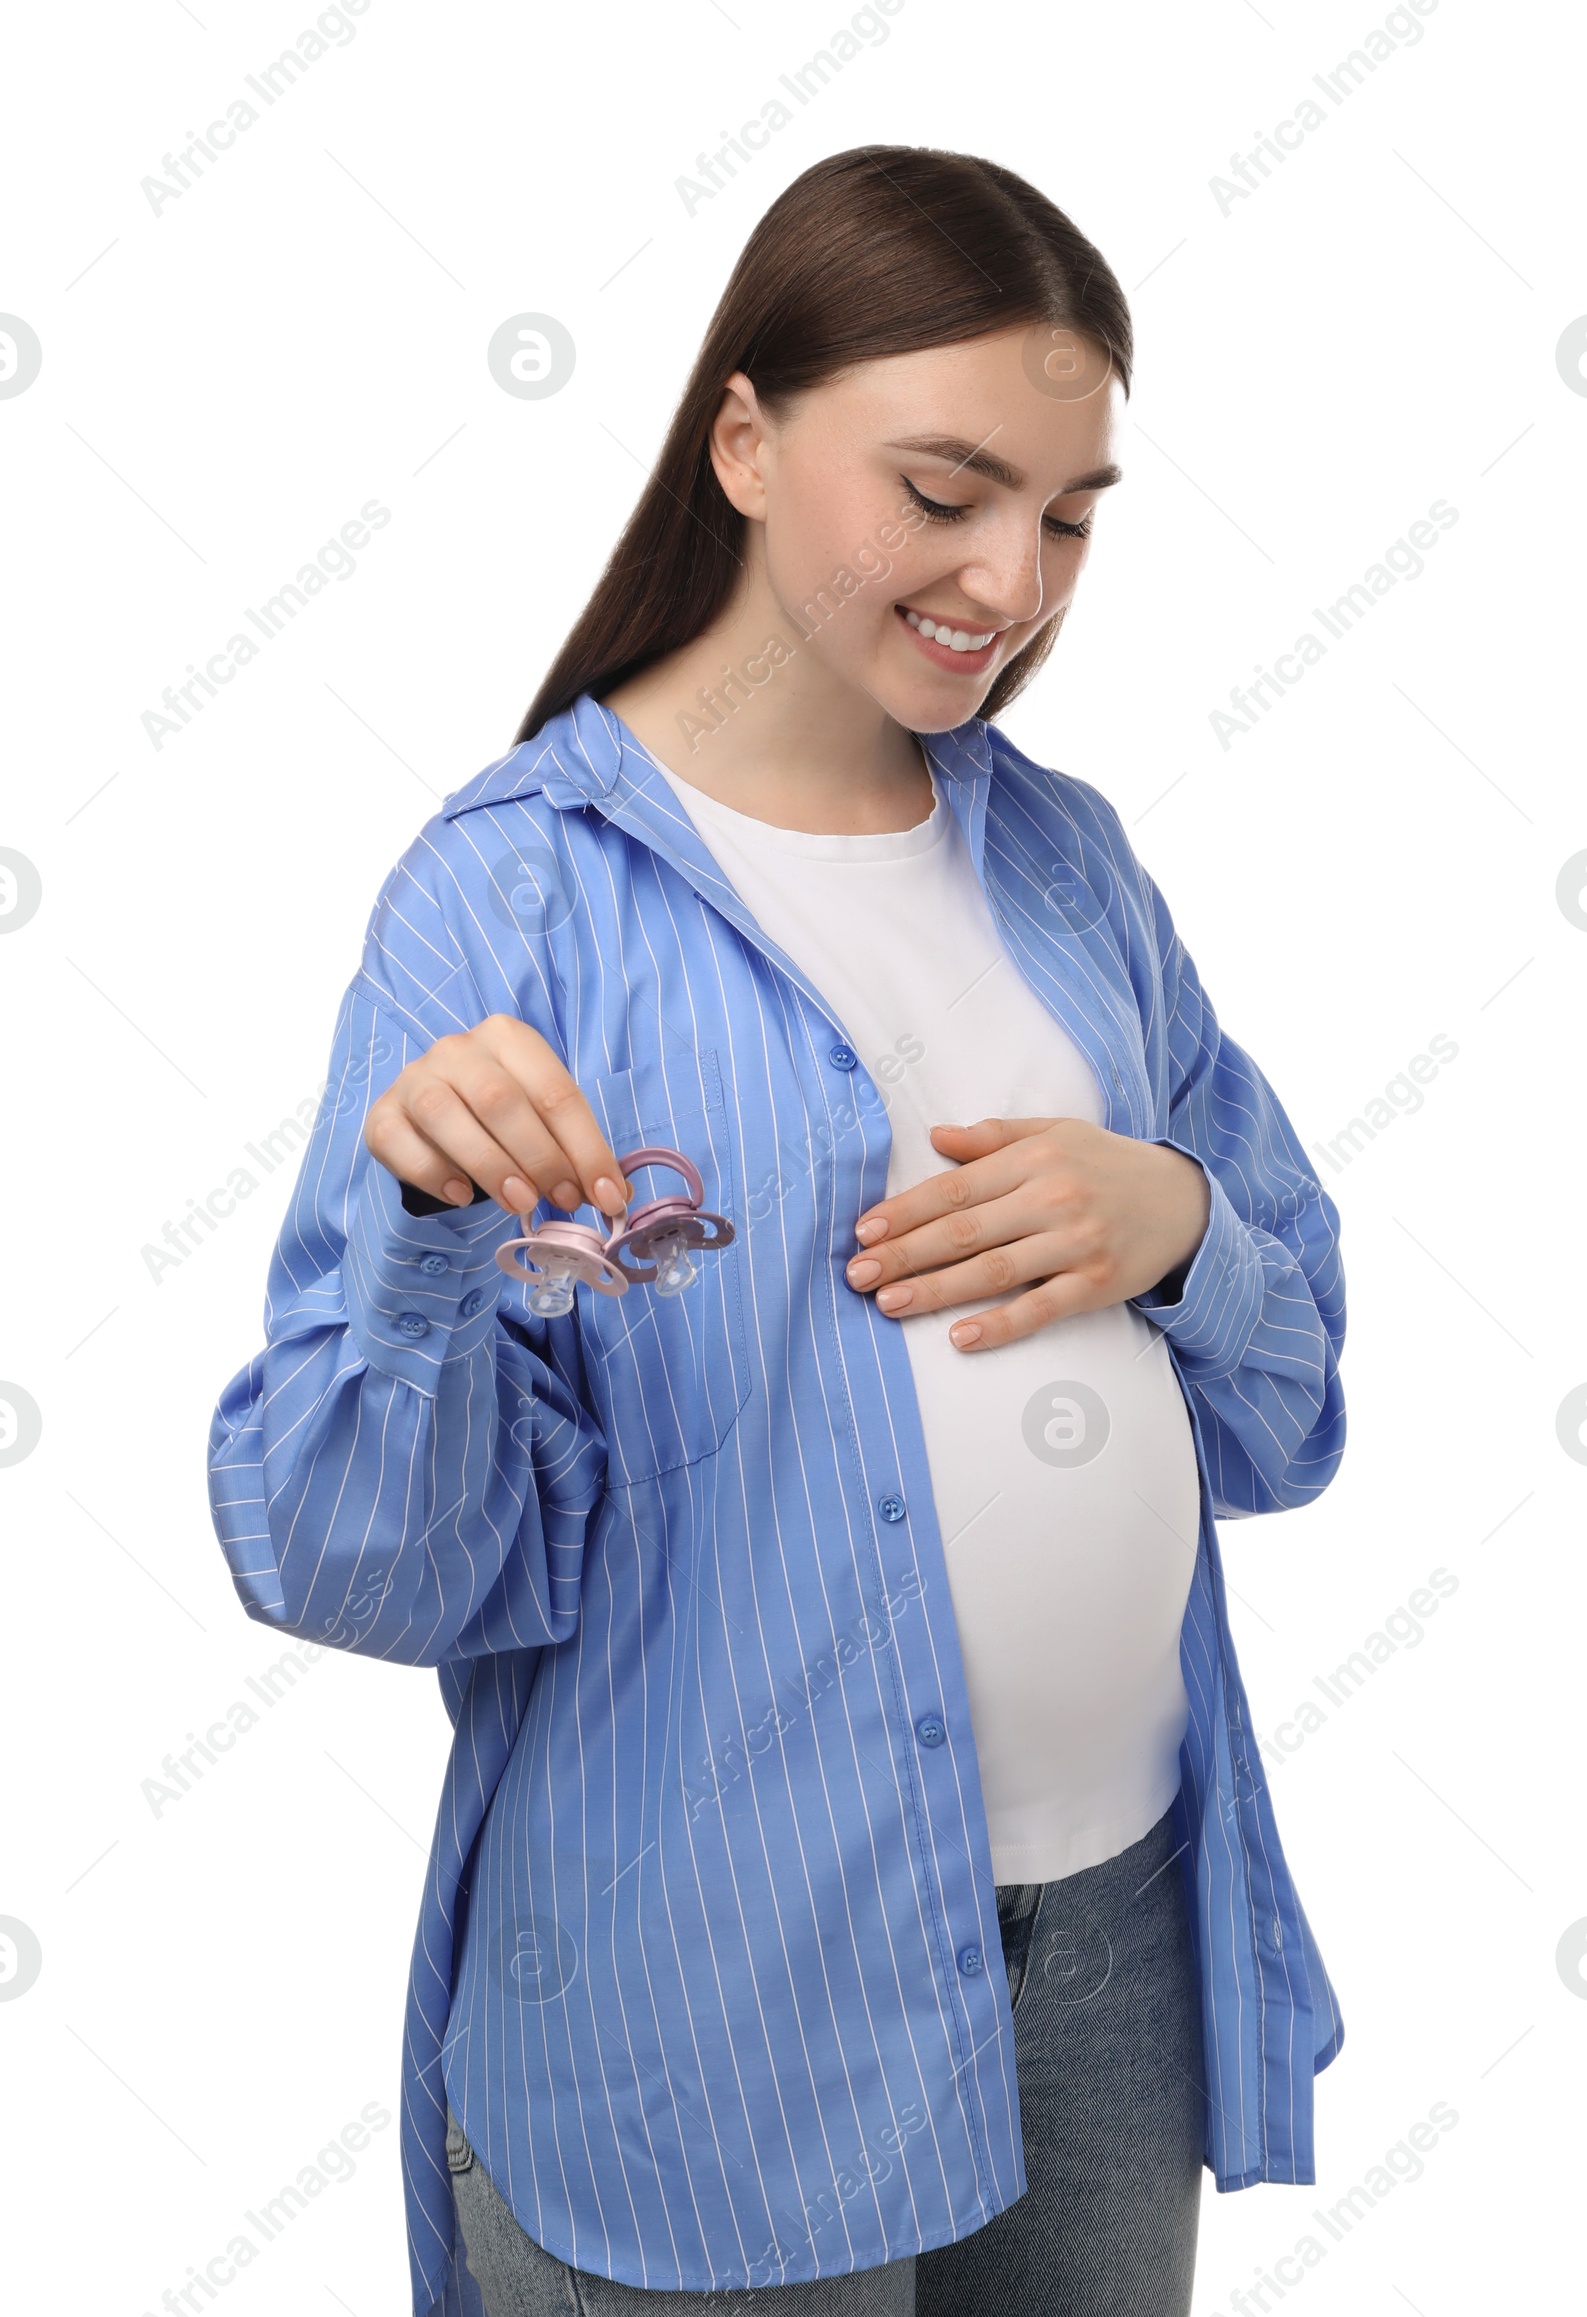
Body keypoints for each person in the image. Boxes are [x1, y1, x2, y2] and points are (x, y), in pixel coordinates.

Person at [207, 144, 1348, 2317]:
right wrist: (432, 1229)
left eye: (1073, 512)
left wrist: (1179, 1220)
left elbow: (1293, 1414)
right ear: (740, 439)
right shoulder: (508, 897)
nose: (1012, 575)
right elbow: (358, 1562)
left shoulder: (1074, 872)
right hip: (694, 2008)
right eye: (941, 492)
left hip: (1109, 1941)